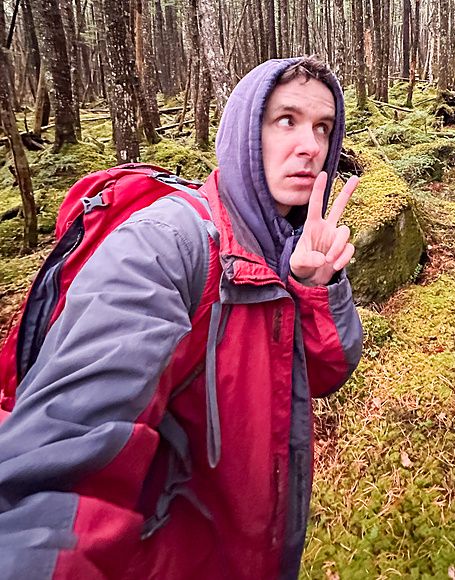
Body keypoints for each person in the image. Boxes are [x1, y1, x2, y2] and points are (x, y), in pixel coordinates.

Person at [0, 56, 363, 580]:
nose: (311, 145)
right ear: (244, 133)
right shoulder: (164, 246)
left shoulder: (282, 242)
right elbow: (64, 451)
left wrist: (314, 285)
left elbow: (326, 371)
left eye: (323, 127)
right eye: (286, 120)